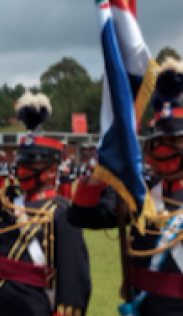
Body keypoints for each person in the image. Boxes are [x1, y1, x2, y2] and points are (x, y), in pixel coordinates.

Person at [0, 92, 91, 315]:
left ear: (52, 170)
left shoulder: (63, 212)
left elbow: (74, 278)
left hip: (36, 307)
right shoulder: (9, 203)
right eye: (22, 161)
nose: (23, 168)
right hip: (0, 305)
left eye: (32, 163)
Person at [68, 59, 183, 315]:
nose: (165, 147)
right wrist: (105, 168)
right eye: (160, 140)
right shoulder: (140, 193)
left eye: (174, 140)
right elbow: (80, 214)